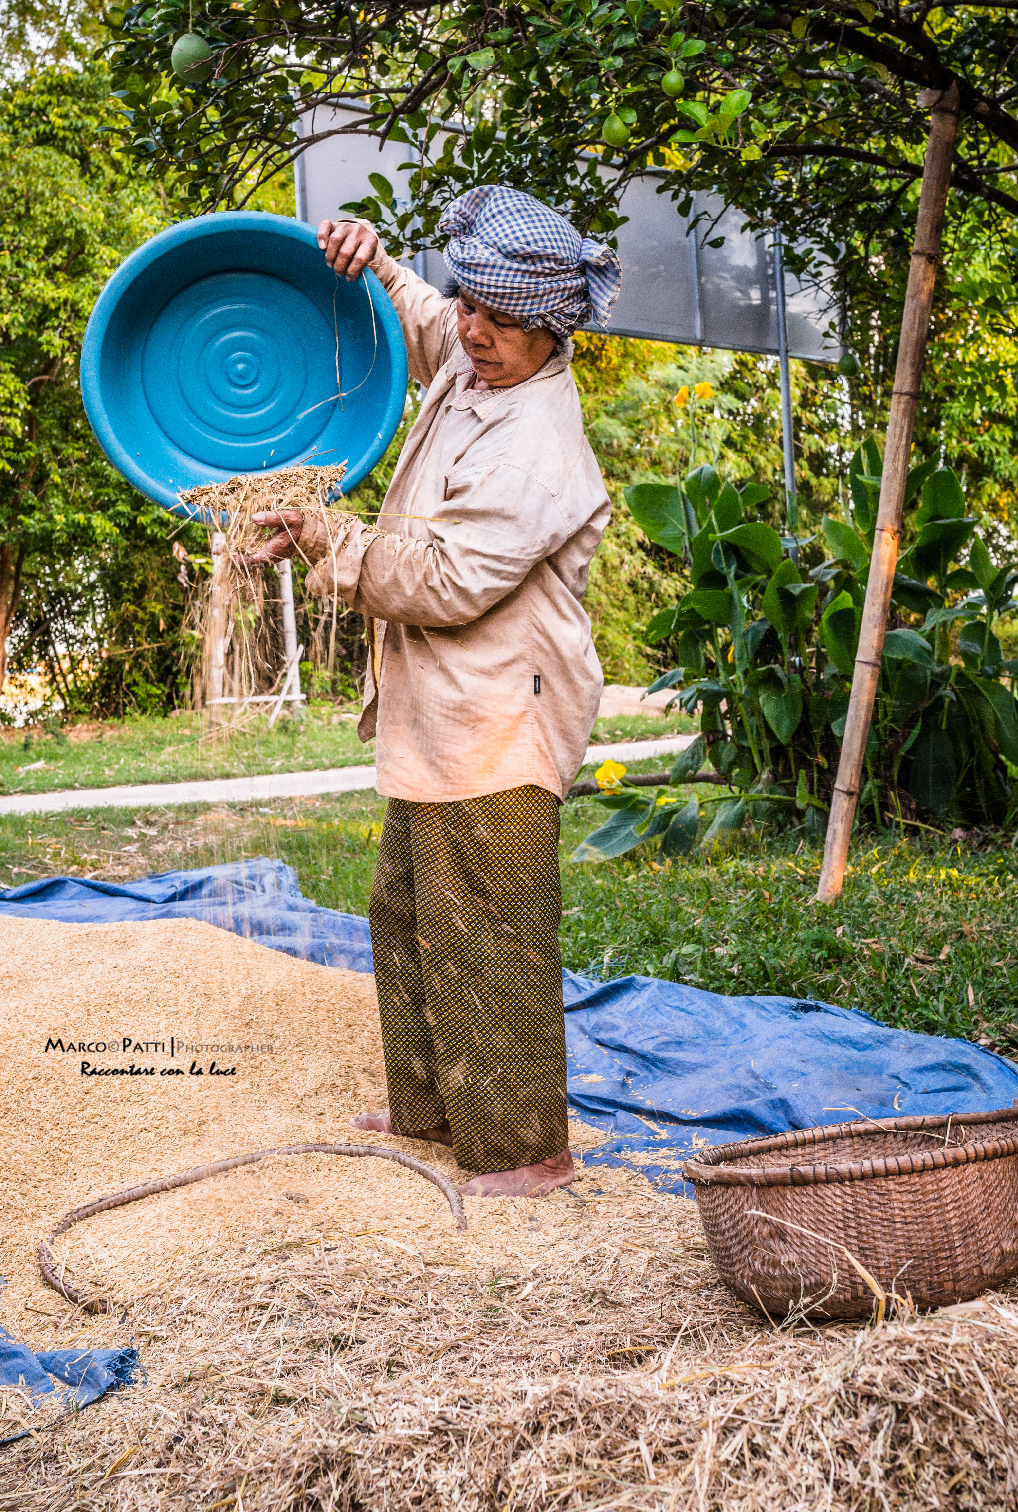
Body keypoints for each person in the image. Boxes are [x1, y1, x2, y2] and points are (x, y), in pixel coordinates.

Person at [247, 185, 621, 1197]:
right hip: (440, 704)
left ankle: (526, 1149)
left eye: (498, 320)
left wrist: (329, 535)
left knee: (488, 927)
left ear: (549, 330)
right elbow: (421, 320)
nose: (473, 330)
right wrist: (369, 260)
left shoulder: (538, 444)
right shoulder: (474, 357)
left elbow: (448, 582)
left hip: (500, 708)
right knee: (405, 905)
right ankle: (431, 1109)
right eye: (470, 307)